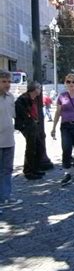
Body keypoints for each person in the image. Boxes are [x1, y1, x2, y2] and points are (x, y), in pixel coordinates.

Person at [0, 70, 22, 212]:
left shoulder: (10, 97)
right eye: (3, 81)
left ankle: (5, 195)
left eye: (8, 81)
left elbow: (13, 115)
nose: (7, 84)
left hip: (9, 139)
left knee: (7, 169)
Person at [15, 81, 45, 180]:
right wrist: (27, 123)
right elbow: (21, 113)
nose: (40, 90)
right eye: (39, 88)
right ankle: (28, 171)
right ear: (34, 89)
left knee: (38, 147)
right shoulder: (23, 99)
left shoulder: (34, 99)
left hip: (33, 125)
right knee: (31, 148)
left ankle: (35, 168)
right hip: (28, 126)